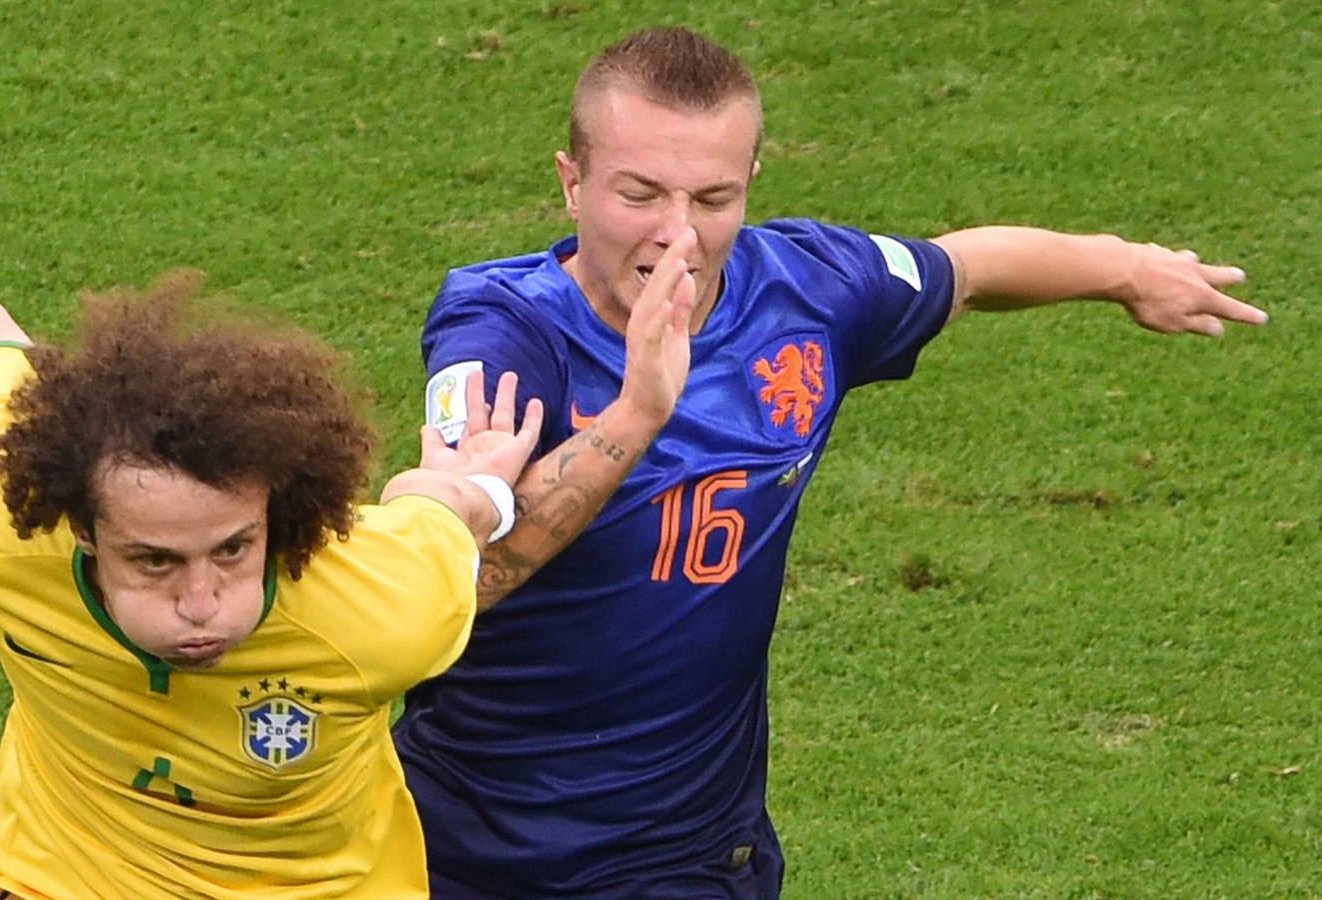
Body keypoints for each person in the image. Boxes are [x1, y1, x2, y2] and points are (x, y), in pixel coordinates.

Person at [393, 26, 1268, 898]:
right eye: (639, 194)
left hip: (689, 861)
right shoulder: (501, 332)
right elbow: (464, 577)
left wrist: (1123, 270)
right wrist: (638, 412)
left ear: (750, 186)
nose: (679, 235)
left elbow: (963, 269)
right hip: (466, 854)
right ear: (571, 181)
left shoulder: (805, 291)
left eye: (712, 197)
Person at [0, 272, 545, 899]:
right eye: (154, 561)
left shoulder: (382, 607)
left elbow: (449, 510)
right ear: (80, 529)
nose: (201, 603)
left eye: (233, 549)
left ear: (276, 520)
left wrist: (471, 488)